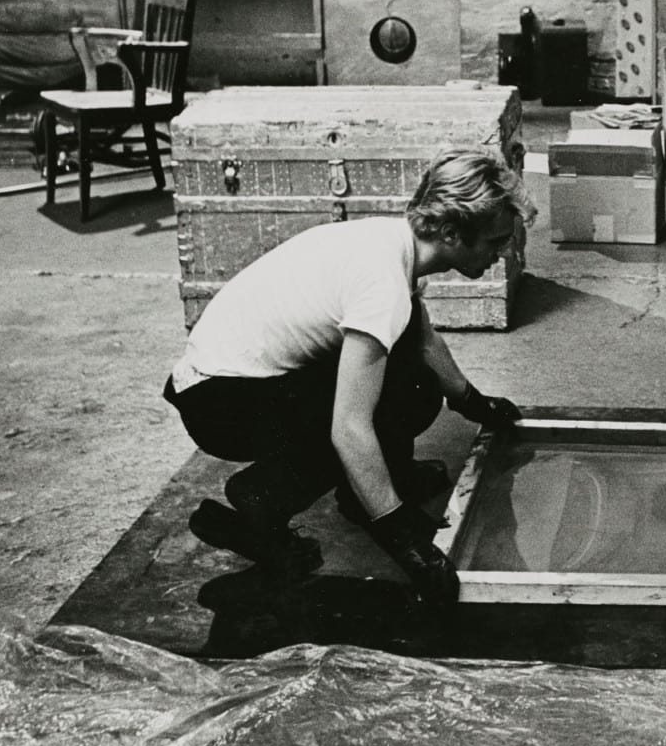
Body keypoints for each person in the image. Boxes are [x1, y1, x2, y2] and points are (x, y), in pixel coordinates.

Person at [162, 148, 536, 609]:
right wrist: (404, 540)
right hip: (221, 403)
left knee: (415, 386)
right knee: (371, 417)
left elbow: (423, 343)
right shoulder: (382, 284)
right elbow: (350, 427)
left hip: (231, 381)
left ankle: (372, 489)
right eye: (495, 242)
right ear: (451, 232)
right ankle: (264, 498)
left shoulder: (394, 243)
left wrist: (474, 403)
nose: (502, 255)